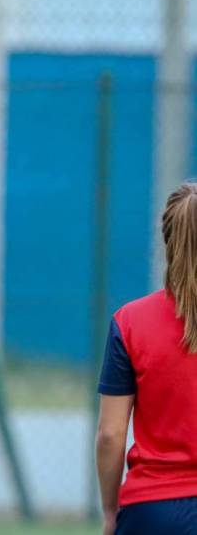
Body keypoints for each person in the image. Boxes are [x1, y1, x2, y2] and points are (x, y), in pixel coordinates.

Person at [96, 182, 197, 535]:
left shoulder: (130, 322)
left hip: (150, 512)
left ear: (168, 241)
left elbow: (110, 434)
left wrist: (111, 512)